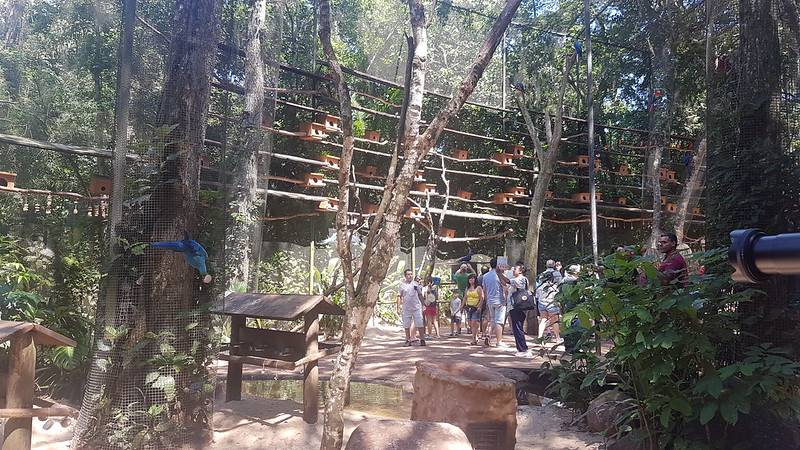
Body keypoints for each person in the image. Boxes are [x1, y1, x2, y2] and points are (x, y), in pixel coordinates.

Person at [506, 263, 533, 358]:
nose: (513, 270)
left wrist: (499, 273)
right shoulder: (521, 279)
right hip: (516, 307)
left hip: (517, 307)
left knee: (518, 328)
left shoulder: (520, 279)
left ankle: (523, 349)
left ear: (520, 271)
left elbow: (507, 281)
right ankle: (520, 348)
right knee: (517, 328)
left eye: (515, 269)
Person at [482, 257, 509, 348]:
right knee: (499, 321)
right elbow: (505, 286)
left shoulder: (485, 276)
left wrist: (486, 300)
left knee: (493, 319)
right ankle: (499, 341)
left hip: (490, 300)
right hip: (499, 299)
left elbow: (484, 289)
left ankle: (488, 335)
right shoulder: (500, 275)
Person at [397, 269, 426, 347]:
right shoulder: (402, 285)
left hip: (416, 307)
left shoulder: (416, 284)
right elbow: (399, 296)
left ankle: (422, 339)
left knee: (419, 324)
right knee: (406, 325)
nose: (410, 276)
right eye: (408, 274)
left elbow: (420, 295)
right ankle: (408, 340)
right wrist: (398, 308)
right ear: (405, 276)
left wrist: (423, 304)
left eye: (411, 274)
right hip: (406, 309)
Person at [536, 268, 562, 344]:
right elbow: (557, 295)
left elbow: (537, 295)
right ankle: (557, 338)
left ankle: (540, 337)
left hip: (542, 304)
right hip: (552, 304)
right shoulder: (554, 287)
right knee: (555, 321)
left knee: (543, 320)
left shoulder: (540, 286)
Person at [463, 273, 485, 345]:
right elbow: (465, 298)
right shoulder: (467, 288)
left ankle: (473, 339)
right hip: (469, 307)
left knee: (474, 322)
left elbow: (481, 298)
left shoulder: (478, 288)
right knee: (470, 323)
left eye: (473, 278)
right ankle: (476, 335)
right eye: (470, 278)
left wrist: (479, 306)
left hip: (475, 308)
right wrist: (462, 306)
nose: (471, 280)